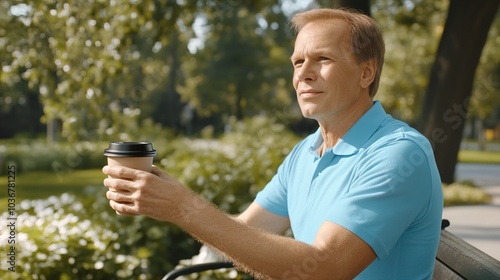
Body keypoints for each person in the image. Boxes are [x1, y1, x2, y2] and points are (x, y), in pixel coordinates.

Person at [102, 8, 443, 279]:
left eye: (323, 59)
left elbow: (323, 269)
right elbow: (244, 231)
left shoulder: (398, 153)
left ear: (366, 73)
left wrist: (183, 207)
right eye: (297, 62)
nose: (303, 74)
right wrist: (165, 193)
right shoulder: (306, 152)